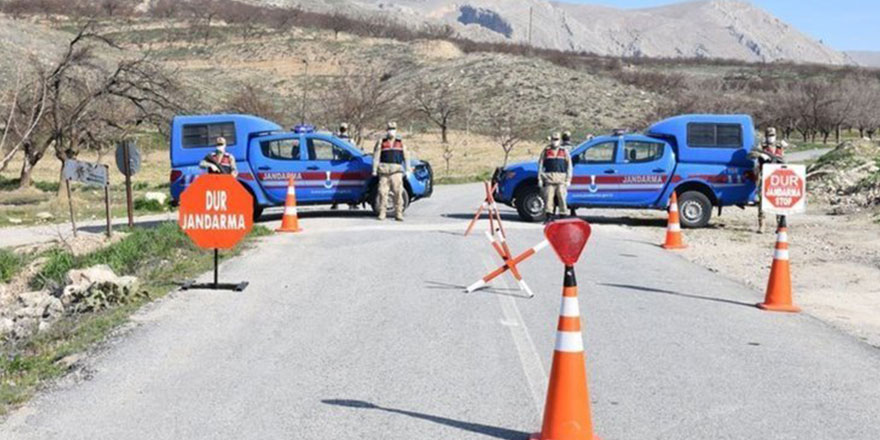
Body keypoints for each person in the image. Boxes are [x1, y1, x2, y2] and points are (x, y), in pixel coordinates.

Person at [749, 127, 787, 233]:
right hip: (765, 177)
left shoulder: (780, 146)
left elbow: (784, 159)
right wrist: (761, 154)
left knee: (778, 201)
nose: (771, 137)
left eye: (772, 135)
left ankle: (780, 225)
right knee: (762, 202)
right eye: (769, 135)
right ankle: (762, 225)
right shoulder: (762, 146)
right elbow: (751, 154)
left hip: (778, 178)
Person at [372, 122, 410, 221]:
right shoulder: (381, 142)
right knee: (382, 193)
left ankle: (398, 213)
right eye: (390, 129)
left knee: (398, 193)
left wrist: (408, 169)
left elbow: (406, 157)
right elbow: (376, 156)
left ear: (396, 130)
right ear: (387, 130)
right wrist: (374, 170)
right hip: (384, 172)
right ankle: (382, 213)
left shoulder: (400, 142)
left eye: (393, 129)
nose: (391, 131)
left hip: (396, 172)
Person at [537, 132, 572, 221]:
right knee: (548, 199)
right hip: (549, 180)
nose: (554, 141)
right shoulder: (546, 151)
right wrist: (540, 178)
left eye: (556, 140)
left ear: (559, 140)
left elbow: (569, 166)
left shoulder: (564, 151)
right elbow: (540, 165)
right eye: (553, 139)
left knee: (562, 198)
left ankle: (563, 216)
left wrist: (568, 179)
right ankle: (549, 216)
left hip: (561, 180)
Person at [331, 123, 360, 211]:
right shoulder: (350, 140)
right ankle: (352, 203)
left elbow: (334, 152)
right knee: (350, 183)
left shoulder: (336, 139)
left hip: (338, 163)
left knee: (337, 183)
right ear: (346, 129)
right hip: (348, 164)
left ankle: (335, 203)